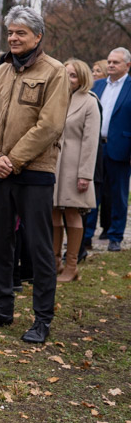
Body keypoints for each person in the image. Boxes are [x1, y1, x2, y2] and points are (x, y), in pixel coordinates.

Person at [0, 5, 69, 344]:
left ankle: (42, 319)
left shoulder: (55, 72)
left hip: (35, 171)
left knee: (38, 246)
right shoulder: (0, 73)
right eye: (10, 32)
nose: (13, 37)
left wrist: (13, 159)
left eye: (20, 32)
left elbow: (50, 125)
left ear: (37, 36)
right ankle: (2, 308)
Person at [53, 58, 101, 282]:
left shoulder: (89, 102)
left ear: (82, 78)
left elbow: (91, 143)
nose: (68, 78)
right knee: (52, 213)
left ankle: (72, 265)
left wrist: (85, 175)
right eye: (65, 74)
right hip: (52, 165)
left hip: (75, 166)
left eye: (73, 75)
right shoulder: (56, 97)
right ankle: (54, 264)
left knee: (72, 213)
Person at [89, 48, 130, 253]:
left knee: (118, 196)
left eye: (116, 62)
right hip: (95, 148)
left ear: (127, 66)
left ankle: (115, 236)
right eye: (109, 61)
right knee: (89, 192)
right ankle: (86, 235)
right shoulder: (96, 86)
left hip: (120, 149)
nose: (111, 65)